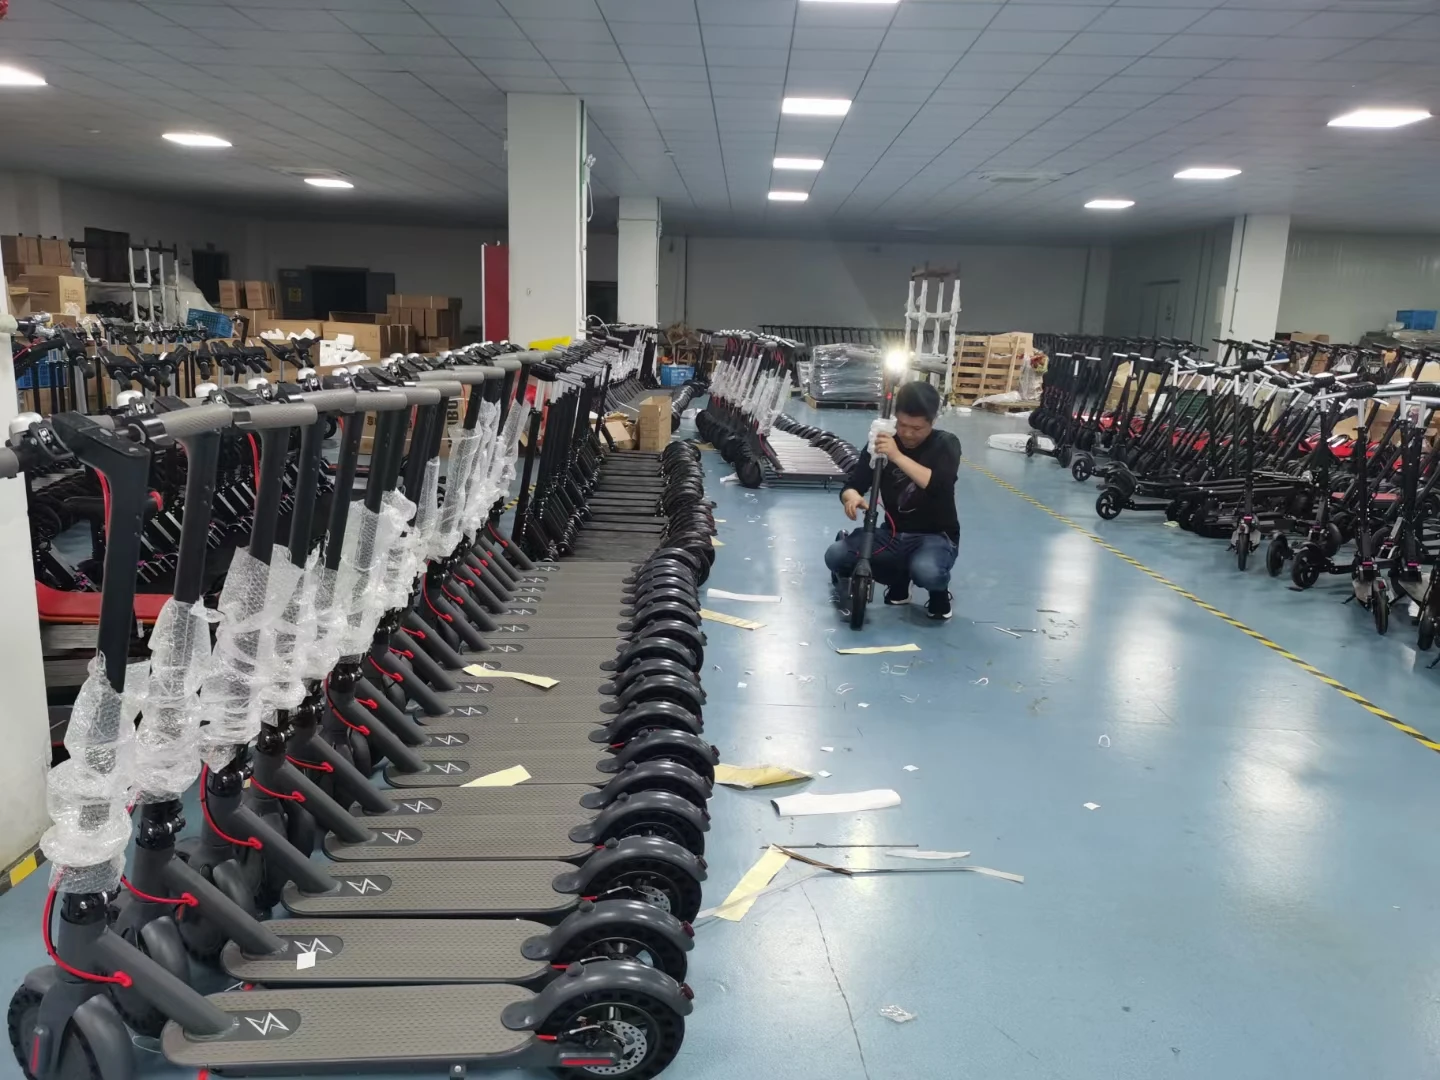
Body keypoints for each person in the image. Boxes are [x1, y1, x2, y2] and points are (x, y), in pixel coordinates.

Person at [824, 380, 961, 620]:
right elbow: (853, 485)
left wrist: (896, 455)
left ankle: (938, 592)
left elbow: (939, 485)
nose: (907, 433)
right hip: (892, 534)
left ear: (933, 422)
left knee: (927, 572)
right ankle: (900, 578)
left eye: (916, 428)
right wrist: (851, 498)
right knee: (835, 556)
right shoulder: (883, 442)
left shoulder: (946, 444)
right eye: (902, 425)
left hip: (935, 536)